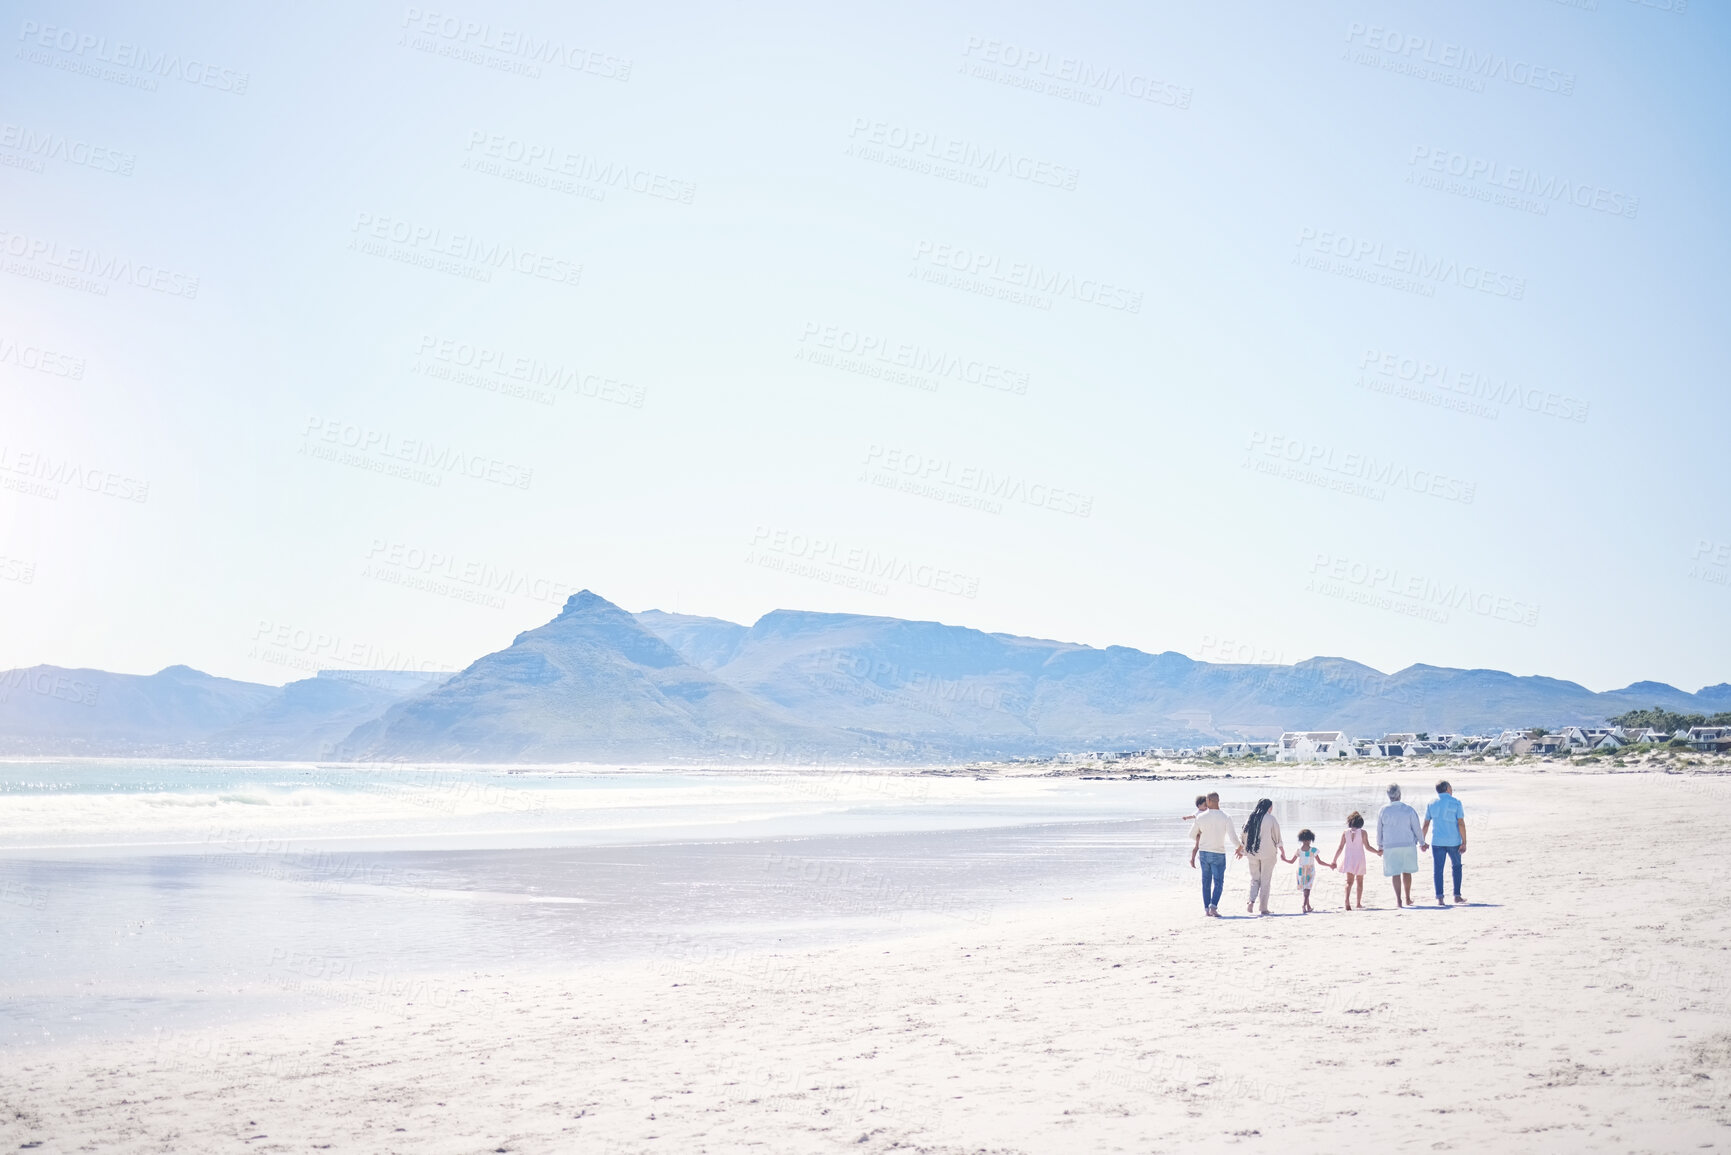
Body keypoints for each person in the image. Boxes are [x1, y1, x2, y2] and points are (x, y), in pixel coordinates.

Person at [1188, 792, 1242, 918]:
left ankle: (1207, 909)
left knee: (1206, 882)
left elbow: (1191, 835)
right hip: (1218, 853)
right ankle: (1213, 906)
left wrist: (1201, 835)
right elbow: (1233, 837)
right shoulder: (1226, 817)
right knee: (1218, 882)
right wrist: (1239, 847)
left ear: (1208, 800)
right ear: (1218, 801)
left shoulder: (1201, 817)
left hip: (1204, 852)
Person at [1420, 780, 1467, 906]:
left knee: (1438, 870)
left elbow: (1426, 824)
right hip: (1454, 841)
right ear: (1447, 788)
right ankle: (1457, 896)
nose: (1452, 790)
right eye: (1451, 787)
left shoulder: (1432, 803)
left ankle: (1440, 898)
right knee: (1457, 867)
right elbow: (1461, 823)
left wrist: (1422, 841)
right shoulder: (1456, 802)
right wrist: (1464, 842)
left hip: (1438, 841)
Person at [1377, 784, 1423, 908]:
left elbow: (1379, 829)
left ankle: (1399, 900)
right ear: (1400, 794)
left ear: (1388, 796)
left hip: (1390, 845)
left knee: (1395, 873)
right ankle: (1408, 898)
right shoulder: (1408, 809)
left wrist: (1380, 845)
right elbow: (1417, 828)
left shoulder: (1383, 810)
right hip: (1407, 844)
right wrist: (1422, 843)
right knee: (1407, 871)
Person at [1236, 798, 1283, 915]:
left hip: (1252, 853)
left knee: (1255, 879)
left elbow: (1243, 835)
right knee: (1265, 881)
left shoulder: (1250, 818)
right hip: (1268, 853)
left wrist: (1242, 851)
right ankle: (1263, 908)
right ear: (1269, 807)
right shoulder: (1271, 819)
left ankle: (1250, 902)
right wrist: (1283, 851)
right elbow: (1277, 837)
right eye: (1271, 807)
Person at [1331, 811, 1381, 910]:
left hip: (1349, 859)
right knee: (1360, 882)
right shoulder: (1363, 832)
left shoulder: (1345, 832)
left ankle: (1347, 901)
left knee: (1349, 882)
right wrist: (1377, 852)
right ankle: (1358, 903)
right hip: (1360, 859)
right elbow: (1367, 847)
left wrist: (1334, 860)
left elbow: (1340, 847)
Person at [1281, 829, 1321, 913]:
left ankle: (1308, 906)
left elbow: (1291, 861)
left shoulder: (1299, 850)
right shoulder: (1313, 850)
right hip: (1310, 870)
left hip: (1300, 871)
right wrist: (1330, 865)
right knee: (1307, 889)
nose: (1309, 841)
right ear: (1310, 839)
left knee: (1305, 889)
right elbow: (1320, 862)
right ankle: (1303, 905)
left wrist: (1284, 859)